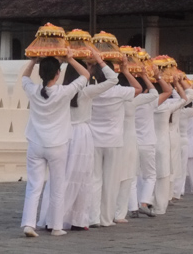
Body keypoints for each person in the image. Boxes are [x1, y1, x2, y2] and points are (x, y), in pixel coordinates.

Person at [37, 45, 117, 232]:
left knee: (61, 177)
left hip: (64, 133)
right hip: (81, 135)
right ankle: (76, 219)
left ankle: (54, 218)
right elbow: (113, 79)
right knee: (80, 177)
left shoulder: (62, 90)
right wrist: (99, 61)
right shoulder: (85, 91)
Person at [20, 52, 91, 237]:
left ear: (41, 73)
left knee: (34, 186)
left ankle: (29, 224)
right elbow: (86, 75)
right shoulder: (64, 92)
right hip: (58, 145)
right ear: (57, 74)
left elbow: (24, 77)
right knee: (58, 186)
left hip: (36, 143)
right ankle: (56, 226)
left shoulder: (33, 90)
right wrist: (70, 59)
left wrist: (33, 61)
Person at [89, 59, 142, 227]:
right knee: (111, 181)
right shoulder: (119, 91)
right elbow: (139, 89)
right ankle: (106, 218)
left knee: (95, 180)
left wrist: (91, 71)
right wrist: (126, 71)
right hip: (113, 141)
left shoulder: (91, 91)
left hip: (94, 139)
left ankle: (94, 217)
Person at [114, 65, 158, 223]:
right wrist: (143, 75)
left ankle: (129, 207)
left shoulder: (113, 96)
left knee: (116, 177)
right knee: (130, 176)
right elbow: (153, 93)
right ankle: (122, 211)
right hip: (130, 140)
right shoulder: (134, 99)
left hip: (116, 139)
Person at [131, 67, 171, 218]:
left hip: (132, 142)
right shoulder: (149, 102)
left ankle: (132, 206)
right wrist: (152, 77)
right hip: (147, 142)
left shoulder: (127, 99)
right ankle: (143, 202)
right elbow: (167, 91)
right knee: (150, 175)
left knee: (133, 176)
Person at [152, 74, 188, 214]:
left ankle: (146, 200)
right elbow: (184, 99)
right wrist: (175, 84)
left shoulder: (144, 104)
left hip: (148, 142)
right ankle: (160, 206)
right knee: (163, 175)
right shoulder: (167, 106)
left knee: (148, 176)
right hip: (163, 142)